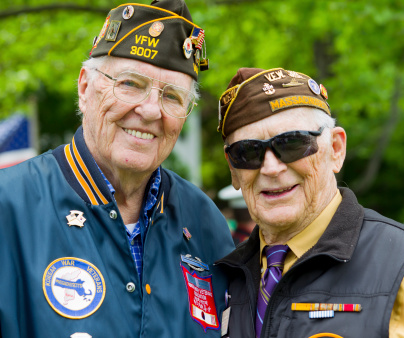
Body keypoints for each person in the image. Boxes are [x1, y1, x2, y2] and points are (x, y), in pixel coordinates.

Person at [0, 1, 234, 337]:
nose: (151, 110)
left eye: (172, 96)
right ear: (84, 88)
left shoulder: (205, 222)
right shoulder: (8, 206)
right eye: (131, 84)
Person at [214, 67, 404, 338]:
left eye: (292, 143)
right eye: (247, 152)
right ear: (233, 170)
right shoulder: (224, 276)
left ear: (335, 148)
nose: (271, 167)